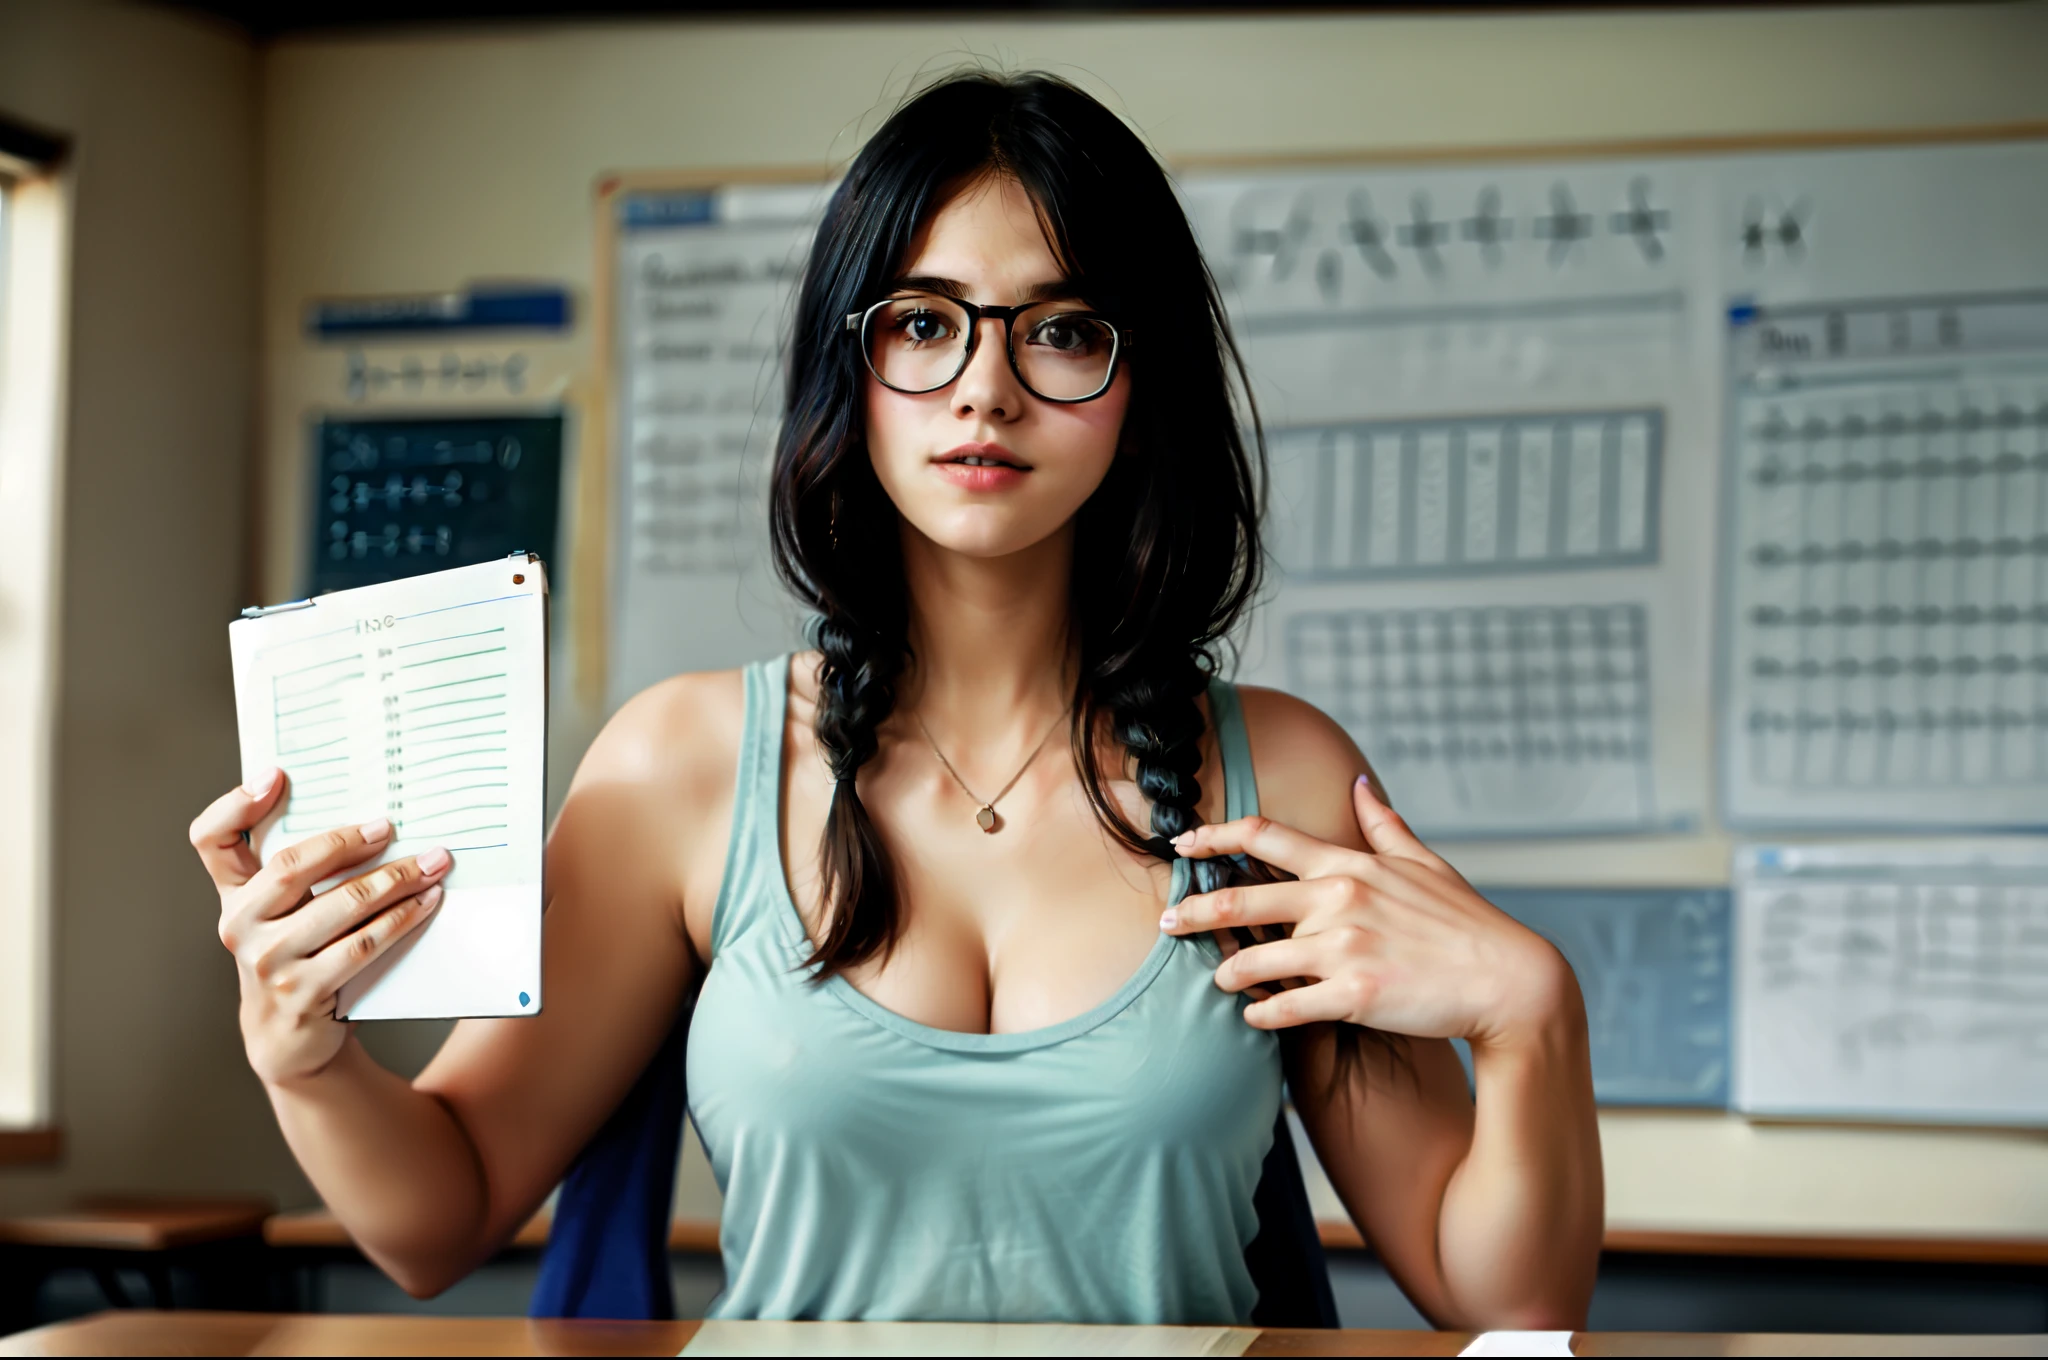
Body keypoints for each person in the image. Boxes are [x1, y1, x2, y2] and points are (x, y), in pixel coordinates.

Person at [189, 71, 1601, 1328]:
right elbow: (441, 1218)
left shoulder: (1274, 778)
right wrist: (303, 1056)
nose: (984, 388)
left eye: (1060, 331)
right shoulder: (680, 768)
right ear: (848, 372)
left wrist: (1533, 1014)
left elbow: (1507, 1301)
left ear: (1137, 380)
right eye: (924, 323)